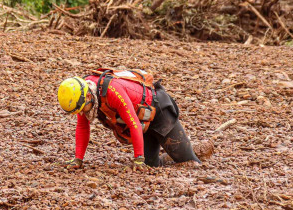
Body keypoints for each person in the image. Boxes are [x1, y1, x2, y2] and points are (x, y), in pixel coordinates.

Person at [57, 69, 200, 170]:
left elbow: (133, 124)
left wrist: (138, 160)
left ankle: (195, 151)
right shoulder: (82, 96)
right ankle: (167, 157)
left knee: (188, 162)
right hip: (143, 124)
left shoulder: (112, 91)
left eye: (82, 109)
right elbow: (82, 127)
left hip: (160, 112)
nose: (81, 113)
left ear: (88, 96)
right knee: (151, 165)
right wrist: (78, 159)